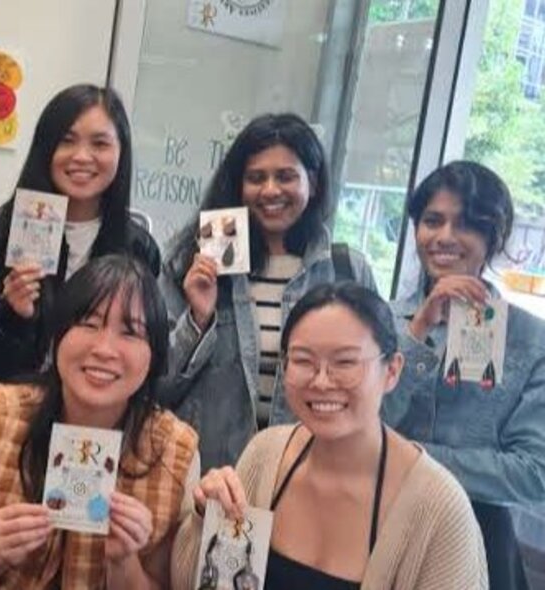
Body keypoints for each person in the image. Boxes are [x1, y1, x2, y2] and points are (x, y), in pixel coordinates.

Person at [172, 282, 488, 590]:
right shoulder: (265, 453)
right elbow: (199, 582)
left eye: (346, 362)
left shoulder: (439, 508)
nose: (321, 381)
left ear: (392, 370)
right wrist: (205, 518)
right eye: (303, 360)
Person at [0, 255, 199, 590]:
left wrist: (123, 561)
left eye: (130, 332)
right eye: (88, 323)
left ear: (154, 355)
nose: (104, 349)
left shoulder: (174, 454)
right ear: (58, 336)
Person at [159, 113, 376, 471]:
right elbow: (157, 385)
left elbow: (372, 387)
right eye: (256, 178)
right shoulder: (191, 262)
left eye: (286, 176)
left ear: (314, 181)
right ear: (237, 185)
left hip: (309, 476)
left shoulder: (345, 272)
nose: (271, 190)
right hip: (207, 475)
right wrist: (198, 319)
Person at [382, 160, 545, 589]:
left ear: (494, 237)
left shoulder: (531, 340)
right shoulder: (379, 321)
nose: (445, 237)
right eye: (432, 221)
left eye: (466, 224)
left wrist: (413, 459)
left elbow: (534, 474)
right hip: (377, 525)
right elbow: (359, 424)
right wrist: (417, 331)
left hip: (478, 540)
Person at [0, 83, 160, 382]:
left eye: (100, 144)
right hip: (16, 406)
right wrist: (11, 314)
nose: (81, 156)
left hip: (97, 412)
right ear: (45, 148)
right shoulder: (1, 230)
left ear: (121, 152)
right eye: (66, 140)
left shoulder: (139, 247)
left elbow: (146, 350)